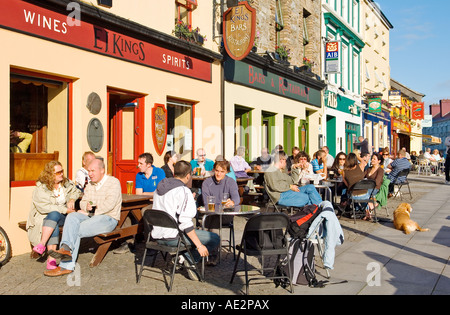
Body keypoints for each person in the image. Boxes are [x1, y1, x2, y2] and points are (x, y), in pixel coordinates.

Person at [45, 158, 122, 277]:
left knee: (76, 229)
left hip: (108, 218)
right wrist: (85, 206)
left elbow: (109, 205)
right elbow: (82, 202)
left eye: (92, 171)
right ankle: (65, 248)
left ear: (102, 170)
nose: (90, 174)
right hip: (92, 217)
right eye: (88, 171)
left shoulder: (113, 182)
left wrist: (91, 212)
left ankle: (66, 266)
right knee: (72, 217)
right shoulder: (90, 184)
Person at [151, 161, 220, 279]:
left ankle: (182, 257)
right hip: (173, 237)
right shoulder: (183, 191)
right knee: (214, 238)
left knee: (195, 235)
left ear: (174, 172)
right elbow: (186, 224)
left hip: (156, 235)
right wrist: (199, 246)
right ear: (188, 175)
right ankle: (188, 259)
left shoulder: (158, 189)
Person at [26, 161, 81, 270]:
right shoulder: (41, 188)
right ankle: (51, 260)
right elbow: (44, 207)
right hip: (46, 217)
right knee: (53, 218)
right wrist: (65, 209)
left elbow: (77, 191)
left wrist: (71, 199)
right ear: (50, 174)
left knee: (54, 216)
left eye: (62, 171)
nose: (61, 174)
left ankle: (42, 244)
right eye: (58, 172)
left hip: (64, 217)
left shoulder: (65, 183)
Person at [363, 153, 384, 220]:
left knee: (364, 194)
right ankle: (369, 208)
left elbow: (377, 182)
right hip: (366, 187)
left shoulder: (380, 170)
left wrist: (367, 183)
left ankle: (367, 211)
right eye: (372, 158)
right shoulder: (369, 169)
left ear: (379, 161)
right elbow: (362, 176)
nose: (372, 160)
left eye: (374, 159)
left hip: (375, 188)